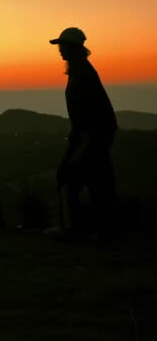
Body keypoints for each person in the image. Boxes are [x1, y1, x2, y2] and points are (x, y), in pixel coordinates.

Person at [49, 27, 118, 238]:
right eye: (60, 45)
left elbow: (88, 113)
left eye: (63, 45)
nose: (60, 49)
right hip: (96, 135)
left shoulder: (82, 73)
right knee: (98, 181)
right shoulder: (81, 70)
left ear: (75, 48)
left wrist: (80, 142)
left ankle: (72, 228)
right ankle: (101, 228)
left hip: (90, 136)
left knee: (67, 176)